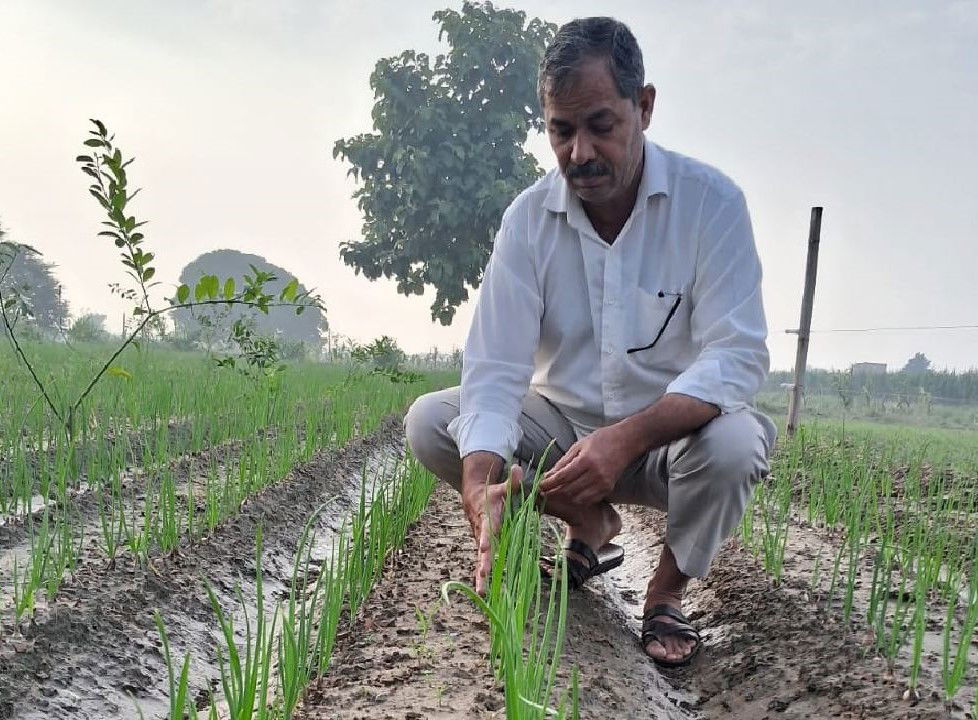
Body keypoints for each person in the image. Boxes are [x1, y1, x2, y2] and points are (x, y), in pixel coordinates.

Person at [405, 16, 776, 669]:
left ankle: (664, 593)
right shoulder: (527, 220)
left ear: (645, 107)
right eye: (561, 130)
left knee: (737, 442)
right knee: (435, 421)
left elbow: (737, 356)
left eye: (601, 125)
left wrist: (626, 439)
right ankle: (592, 525)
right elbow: (494, 369)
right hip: (562, 433)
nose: (579, 152)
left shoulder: (710, 204)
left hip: (667, 443)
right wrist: (478, 492)